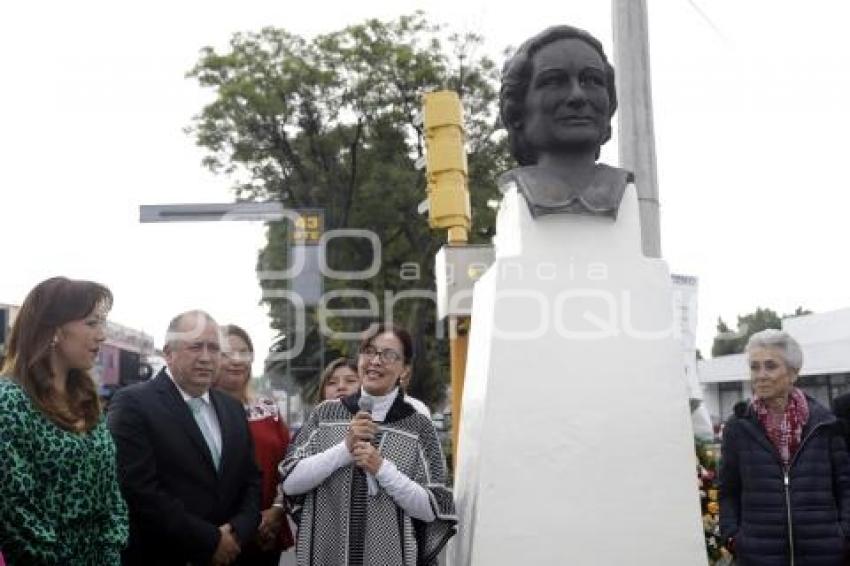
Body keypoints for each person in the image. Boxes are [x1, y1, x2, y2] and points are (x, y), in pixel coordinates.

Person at [281, 323, 456, 565]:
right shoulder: (326, 415)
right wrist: (344, 450)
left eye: (389, 355)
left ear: (404, 370)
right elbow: (290, 483)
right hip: (327, 553)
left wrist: (382, 469)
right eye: (369, 351)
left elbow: (433, 507)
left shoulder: (418, 426)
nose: (375, 361)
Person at [108, 310, 261, 566]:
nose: (206, 357)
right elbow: (138, 491)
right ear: (168, 353)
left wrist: (236, 531)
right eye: (195, 347)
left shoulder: (232, 408)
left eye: (213, 349)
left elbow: (251, 479)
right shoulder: (133, 404)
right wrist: (211, 541)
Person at [0, 276, 128, 564]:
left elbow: (112, 499)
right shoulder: (9, 402)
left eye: (102, 323)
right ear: (55, 329)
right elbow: (15, 513)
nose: (102, 335)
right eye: (92, 323)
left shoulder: (88, 400)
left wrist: (110, 554)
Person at [719, 329, 850, 565]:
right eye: (754, 367)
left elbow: (845, 485)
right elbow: (728, 489)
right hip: (758, 556)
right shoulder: (737, 428)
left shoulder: (825, 425)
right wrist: (733, 536)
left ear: (793, 373)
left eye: (770, 366)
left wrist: (844, 534)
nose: (761, 375)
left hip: (823, 555)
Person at [498, 25, 633, 220]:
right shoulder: (517, 193)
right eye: (554, 81)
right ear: (518, 109)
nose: (577, 96)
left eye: (592, 80)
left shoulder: (625, 191)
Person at [214, 324, 294, 565]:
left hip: (266, 533)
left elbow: (291, 466)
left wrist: (277, 511)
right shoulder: (198, 412)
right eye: (226, 353)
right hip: (218, 536)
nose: (236, 360)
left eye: (244, 352)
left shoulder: (269, 411)